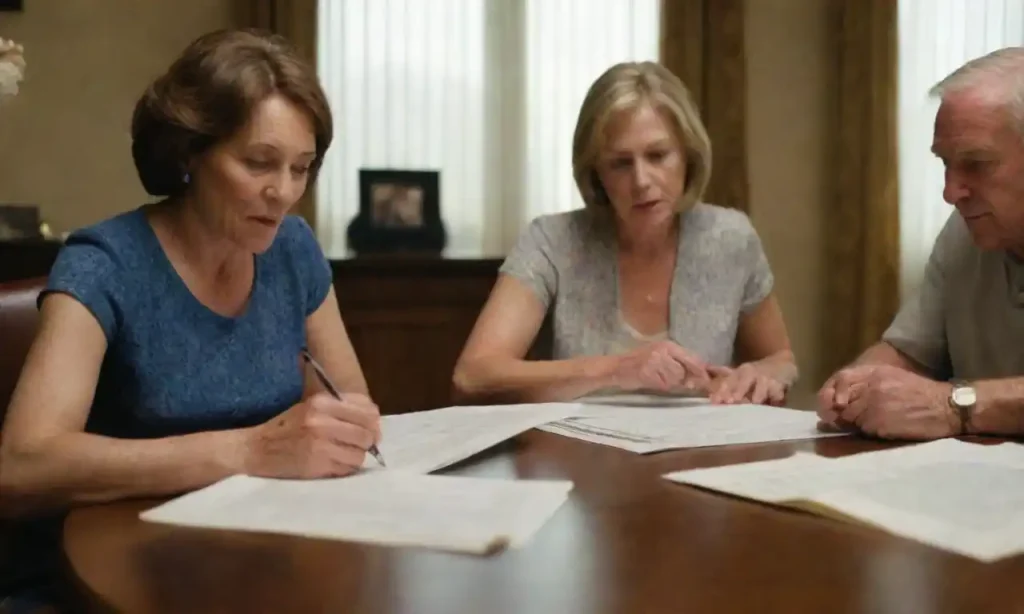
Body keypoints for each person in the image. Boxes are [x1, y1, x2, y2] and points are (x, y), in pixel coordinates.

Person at [0, 29, 380, 612]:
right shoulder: (105, 263)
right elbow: (23, 467)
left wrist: (345, 429)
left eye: (302, 168)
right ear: (188, 153)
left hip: (258, 557)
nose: (284, 193)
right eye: (258, 163)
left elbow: (347, 398)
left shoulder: (292, 248)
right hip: (113, 575)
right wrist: (248, 452)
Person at [453, 61, 797, 406]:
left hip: (701, 451)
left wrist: (764, 373)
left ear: (688, 156)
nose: (642, 181)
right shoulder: (552, 241)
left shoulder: (731, 237)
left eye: (658, 155)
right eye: (620, 163)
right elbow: (473, 375)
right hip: (577, 454)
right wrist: (617, 370)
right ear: (596, 173)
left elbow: (781, 359)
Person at [817, 47, 1024, 441]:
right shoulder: (965, 229)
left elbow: (941, 401)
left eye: (976, 164)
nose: (950, 192)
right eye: (945, 163)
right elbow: (910, 353)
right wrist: (856, 387)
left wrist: (956, 406)